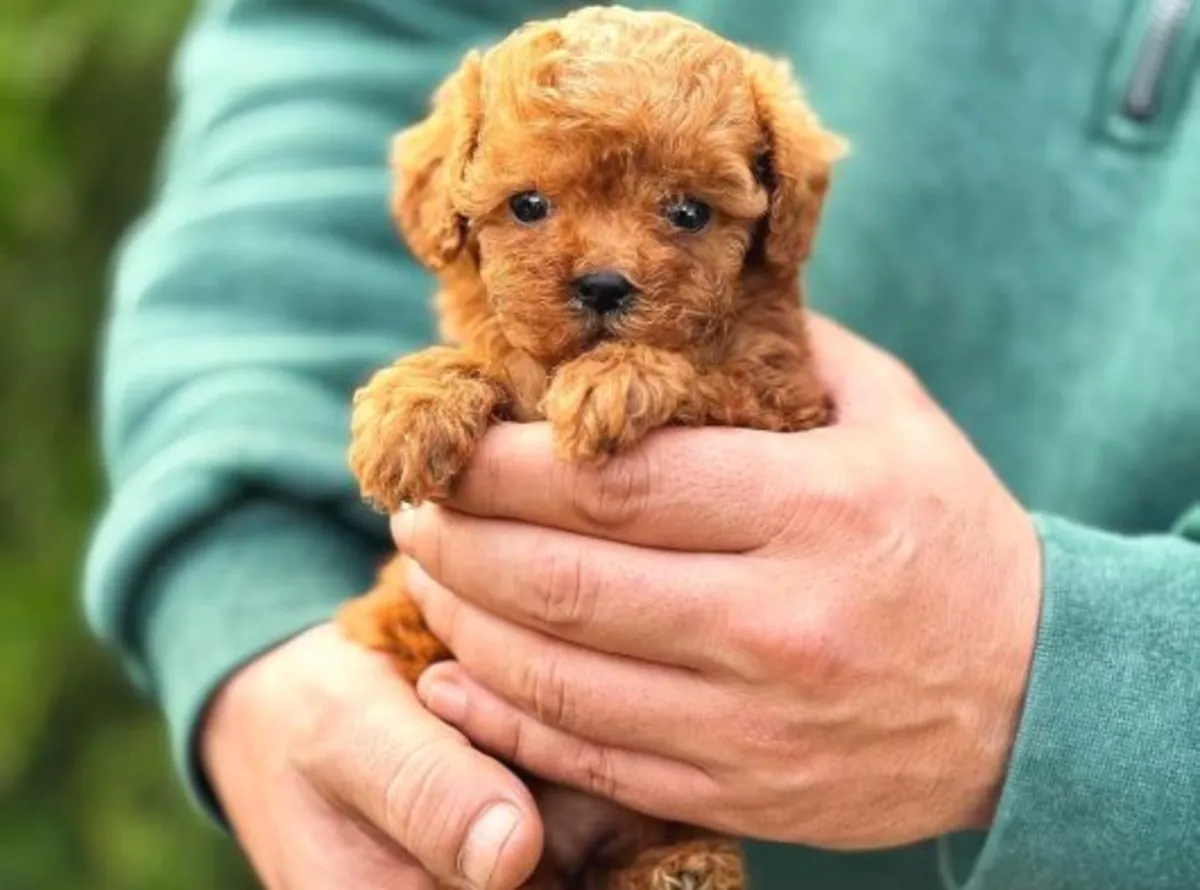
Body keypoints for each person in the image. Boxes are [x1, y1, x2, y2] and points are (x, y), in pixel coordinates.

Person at [83, 0, 1200, 888]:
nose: (606, 264)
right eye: (528, 207)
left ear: (779, 211)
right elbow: (348, 39)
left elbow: (780, 403)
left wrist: (1078, 687)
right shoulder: (469, 246)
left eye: (684, 214)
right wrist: (253, 634)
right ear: (450, 208)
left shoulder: (753, 287)